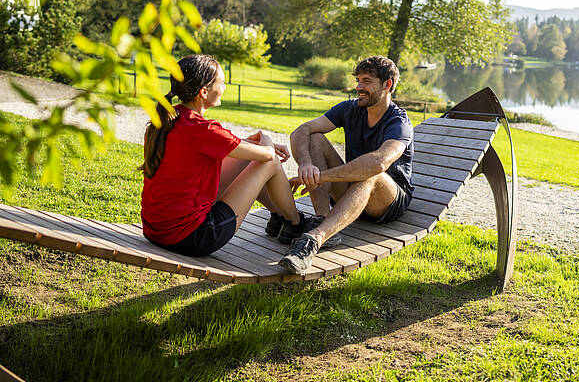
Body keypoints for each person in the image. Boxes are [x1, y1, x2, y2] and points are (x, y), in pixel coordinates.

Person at [140, 54, 306, 268]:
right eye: (222, 82)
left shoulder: (167, 121)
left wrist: (255, 144)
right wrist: (266, 137)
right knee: (270, 162)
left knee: (251, 156)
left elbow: (224, 146)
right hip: (196, 237)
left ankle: (277, 216)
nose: (225, 87)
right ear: (204, 92)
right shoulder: (204, 130)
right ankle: (295, 222)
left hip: (156, 231)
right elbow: (267, 155)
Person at [280, 55, 414, 273]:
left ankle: (314, 239)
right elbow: (301, 131)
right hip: (351, 189)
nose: (359, 87)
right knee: (315, 138)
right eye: (358, 80)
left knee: (371, 172)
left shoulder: (399, 123)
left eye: (367, 81)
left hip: (387, 201)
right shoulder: (350, 109)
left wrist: (320, 177)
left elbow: (379, 162)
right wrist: (305, 165)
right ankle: (322, 218)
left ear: (387, 85)